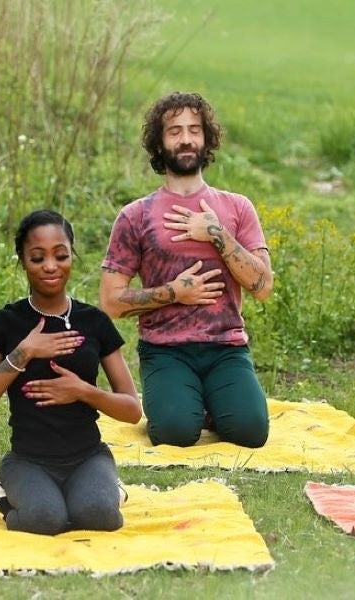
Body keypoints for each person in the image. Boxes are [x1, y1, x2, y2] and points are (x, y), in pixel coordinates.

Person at [99, 91, 274, 448]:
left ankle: (210, 401)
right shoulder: (135, 216)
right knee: (175, 433)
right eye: (174, 131)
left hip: (226, 347)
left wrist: (216, 234)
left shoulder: (237, 207)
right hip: (166, 349)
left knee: (251, 432)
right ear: (159, 144)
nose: (186, 139)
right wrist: (174, 293)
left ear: (206, 138)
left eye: (194, 129)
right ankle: (184, 401)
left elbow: (263, 285)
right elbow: (111, 302)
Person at [0, 209, 142, 535]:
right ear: (22, 260)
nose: (50, 266)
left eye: (60, 255)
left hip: (87, 458)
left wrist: (84, 392)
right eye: (37, 257)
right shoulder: (4, 323)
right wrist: (24, 352)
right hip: (28, 461)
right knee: (45, 520)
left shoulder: (95, 322)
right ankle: (5, 498)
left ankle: (103, 492)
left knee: (100, 517)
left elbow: (133, 411)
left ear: (71, 255)